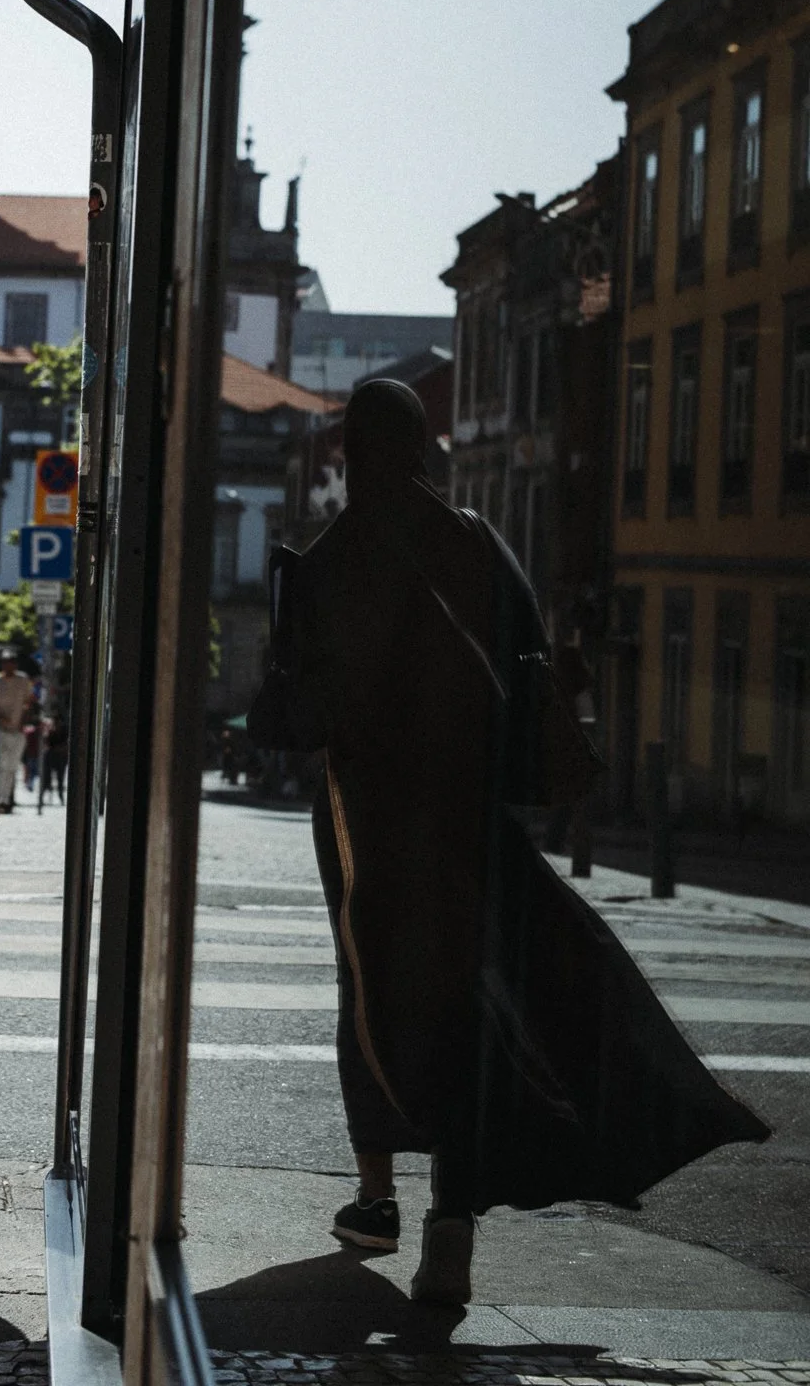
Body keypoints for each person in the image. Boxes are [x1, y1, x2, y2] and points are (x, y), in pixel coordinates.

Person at [249, 377, 768, 1309]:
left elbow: (293, 716)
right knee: (466, 1000)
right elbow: (531, 673)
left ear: (349, 454)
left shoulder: (324, 564)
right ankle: (453, 1220)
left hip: (368, 821)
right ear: (421, 449)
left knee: (367, 990)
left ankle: (376, 1200)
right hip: (465, 816)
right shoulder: (476, 544)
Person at [0, 649, 33, 811]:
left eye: (12, 661)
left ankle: (4, 799)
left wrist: (24, 720)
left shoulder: (23, 680)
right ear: (2, 664)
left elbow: (28, 702)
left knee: (11, 766)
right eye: (6, 662)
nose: (9, 665)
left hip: (17, 730)